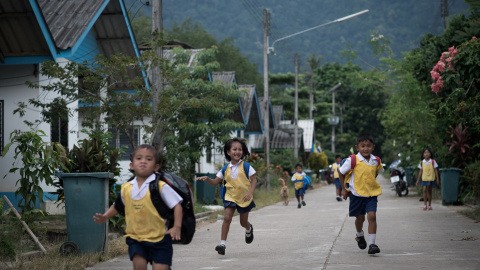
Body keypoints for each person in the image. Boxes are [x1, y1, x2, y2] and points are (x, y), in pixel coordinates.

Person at [94, 144, 183, 270]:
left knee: (160, 268)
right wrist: (105, 216)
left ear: (156, 167)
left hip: (160, 239)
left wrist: (177, 226)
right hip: (136, 238)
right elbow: (118, 205)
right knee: (139, 266)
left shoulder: (160, 186)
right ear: (132, 165)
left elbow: (177, 205)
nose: (143, 162)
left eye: (149, 159)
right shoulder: (126, 188)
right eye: (139, 158)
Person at [195, 138, 257, 255]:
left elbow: (254, 180)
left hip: (244, 198)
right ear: (228, 152)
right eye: (234, 149)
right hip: (230, 197)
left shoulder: (246, 166)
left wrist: (250, 192)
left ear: (242, 152)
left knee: (243, 222)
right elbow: (215, 182)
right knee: (227, 217)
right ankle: (222, 244)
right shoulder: (225, 169)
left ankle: (248, 228)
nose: (237, 152)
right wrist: (208, 179)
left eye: (240, 149)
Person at [339, 134, 384, 255]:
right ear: (357, 147)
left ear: (373, 147)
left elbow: (377, 172)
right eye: (362, 146)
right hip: (356, 194)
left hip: (371, 194)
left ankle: (372, 244)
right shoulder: (352, 160)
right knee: (360, 218)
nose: (365, 148)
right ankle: (359, 235)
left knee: (372, 216)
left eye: (368, 146)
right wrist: (344, 189)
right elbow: (341, 172)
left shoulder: (376, 161)